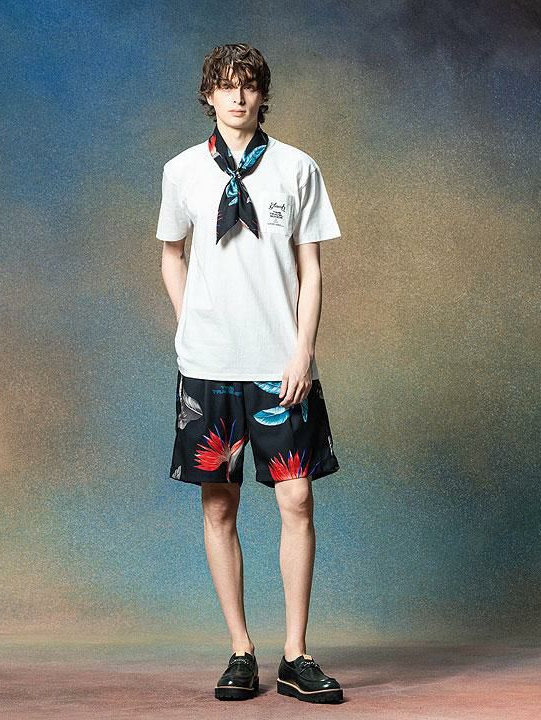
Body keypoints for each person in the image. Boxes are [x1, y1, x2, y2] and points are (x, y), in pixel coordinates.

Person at [156, 43, 343, 704]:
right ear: (208, 94)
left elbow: (312, 270)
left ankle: (296, 654)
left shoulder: (297, 168)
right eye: (225, 85)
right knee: (219, 504)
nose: (237, 97)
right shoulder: (182, 171)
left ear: (263, 95)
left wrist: (301, 352)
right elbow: (171, 253)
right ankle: (241, 649)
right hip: (209, 365)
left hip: (278, 364)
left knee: (297, 498)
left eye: (249, 85)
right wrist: (187, 324)